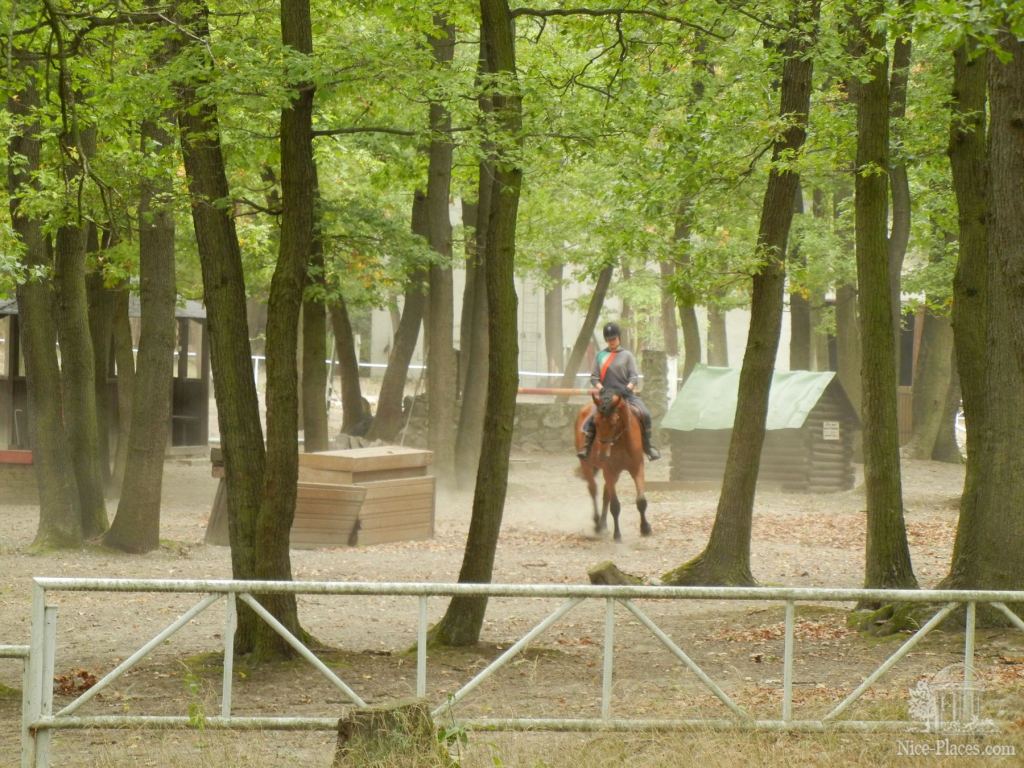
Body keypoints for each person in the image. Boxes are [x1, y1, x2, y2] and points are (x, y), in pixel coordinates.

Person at [577, 322, 661, 461]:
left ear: (619, 338)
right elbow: (594, 378)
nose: (612, 342)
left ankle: (648, 446)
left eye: (614, 339)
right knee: (593, 417)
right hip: (606, 395)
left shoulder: (627, 355)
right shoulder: (600, 356)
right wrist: (601, 389)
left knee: (645, 413)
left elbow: (634, 377)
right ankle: (587, 446)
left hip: (626, 393)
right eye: (609, 339)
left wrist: (626, 389)